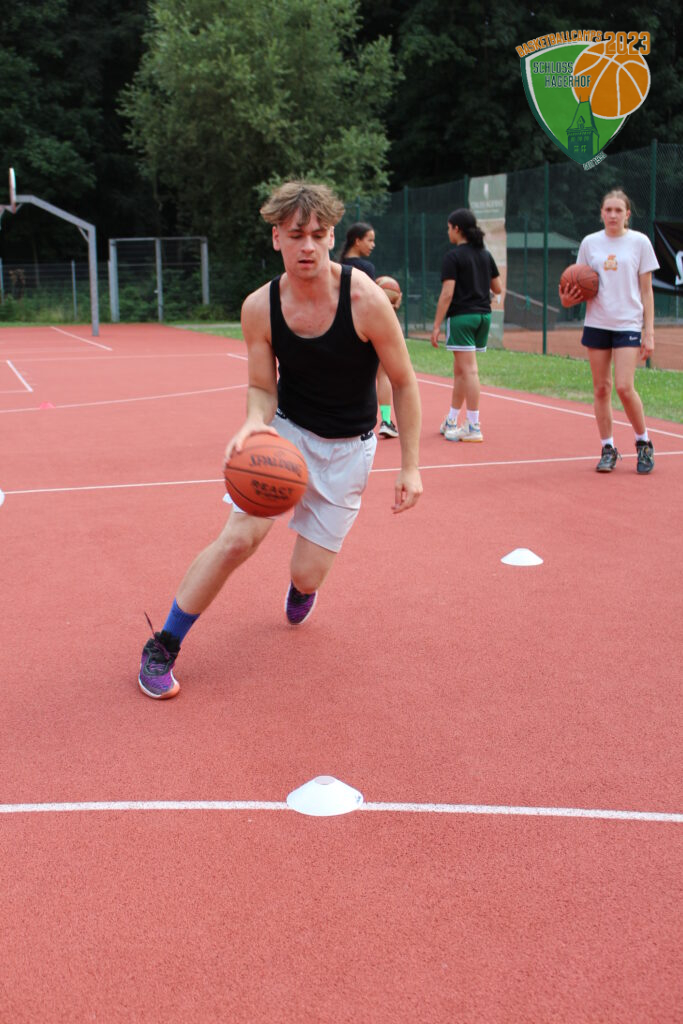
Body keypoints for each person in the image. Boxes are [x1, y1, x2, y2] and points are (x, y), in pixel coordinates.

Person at [138, 181, 423, 699]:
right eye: (295, 235)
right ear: (277, 238)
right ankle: (164, 643)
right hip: (286, 437)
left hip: (349, 449)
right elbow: (261, 387)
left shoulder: (364, 299)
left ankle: (301, 588)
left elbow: (403, 381)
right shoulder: (260, 307)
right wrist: (254, 421)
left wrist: (410, 466)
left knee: (307, 576)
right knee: (237, 539)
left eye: (317, 234)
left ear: (332, 236)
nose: (307, 246)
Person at [559, 188, 658, 474]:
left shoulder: (640, 242)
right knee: (601, 388)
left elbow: (647, 291)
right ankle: (608, 448)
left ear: (628, 214)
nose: (613, 215)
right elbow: (576, 285)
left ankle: (643, 443)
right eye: (608, 210)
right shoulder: (590, 243)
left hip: (628, 323)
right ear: (601, 213)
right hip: (597, 322)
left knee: (625, 387)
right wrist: (567, 300)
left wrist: (649, 332)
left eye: (618, 210)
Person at [430, 209, 502, 442]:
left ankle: (473, 425)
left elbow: (447, 294)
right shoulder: (485, 255)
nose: (447, 232)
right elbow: (498, 288)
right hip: (483, 317)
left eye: (449, 227)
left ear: (457, 229)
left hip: (462, 317)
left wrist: (436, 325)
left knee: (469, 370)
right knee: (460, 370)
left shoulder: (453, 257)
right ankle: (452, 419)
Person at [340, 222, 400, 439]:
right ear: (357, 241)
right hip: (365, 326)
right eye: (370, 240)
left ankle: (343, 417)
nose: (373, 244)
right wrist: (391, 303)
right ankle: (386, 420)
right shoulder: (365, 268)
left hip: (341, 326)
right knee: (382, 374)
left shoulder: (336, 266)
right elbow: (371, 300)